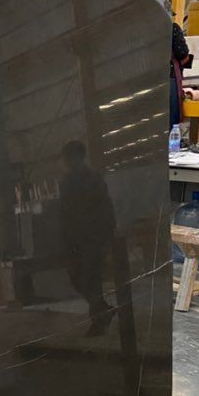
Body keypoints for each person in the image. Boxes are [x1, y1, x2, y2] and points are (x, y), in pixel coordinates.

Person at [59, 141, 117, 337]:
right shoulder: (67, 182)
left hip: (92, 235)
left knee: (91, 278)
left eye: (71, 157)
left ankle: (99, 320)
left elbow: (105, 206)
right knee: (78, 278)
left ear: (79, 157)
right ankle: (103, 311)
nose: (68, 161)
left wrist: (108, 233)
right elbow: (65, 212)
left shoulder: (93, 179)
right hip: (76, 237)